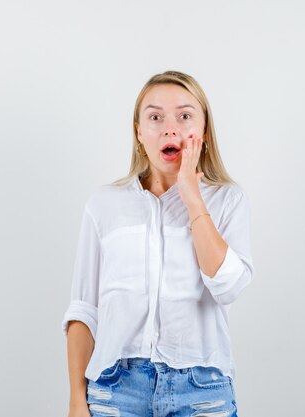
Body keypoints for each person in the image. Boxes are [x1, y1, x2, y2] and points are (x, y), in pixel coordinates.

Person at [61, 70, 254, 417]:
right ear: (138, 132)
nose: (170, 128)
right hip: (114, 391)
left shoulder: (227, 200)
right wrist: (77, 399)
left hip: (202, 392)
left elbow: (226, 286)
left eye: (184, 116)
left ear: (204, 130)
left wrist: (192, 197)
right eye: (154, 117)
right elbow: (83, 310)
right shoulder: (104, 204)